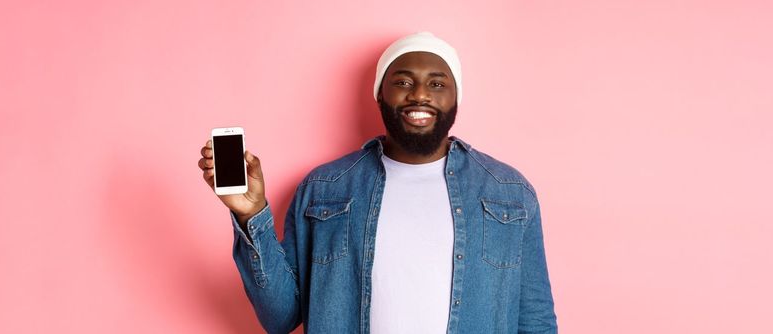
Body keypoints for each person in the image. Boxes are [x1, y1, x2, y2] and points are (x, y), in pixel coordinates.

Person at [197, 32, 557, 333]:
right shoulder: (325, 188)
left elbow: (536, 321)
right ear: (380, 94)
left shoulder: (508, 192)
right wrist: (252, 215)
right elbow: (280, 317)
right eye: (402, 81)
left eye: (437, 83)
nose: (419, 94)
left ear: (455, 96)